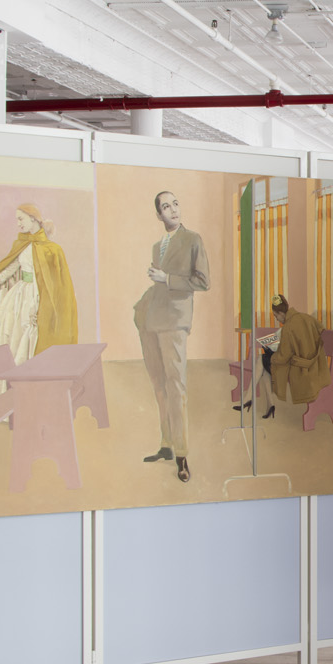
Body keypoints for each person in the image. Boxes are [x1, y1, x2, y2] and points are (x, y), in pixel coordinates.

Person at [133, 190, 210, 483]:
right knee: (159, 384)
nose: (173, 209)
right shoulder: (158, 246)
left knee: (176, 386)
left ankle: (182, 454)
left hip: (175, 321)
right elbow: (159, 285)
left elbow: (202, 281)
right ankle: (166, 444)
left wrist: (166, 279)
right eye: (166, 207)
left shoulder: (193, 240)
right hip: (152, 320)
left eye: (175, 203)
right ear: (159, 215)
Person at [0, 203, 77, 365]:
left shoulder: (52, 249)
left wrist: (37, 307)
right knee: (12, 335)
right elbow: (6, 273)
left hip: (38, 299)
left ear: (33, 219)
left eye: (21, 219)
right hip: (19, 298)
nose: (18, 224)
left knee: (30, 337)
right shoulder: (23, 245)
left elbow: (53, 284)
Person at [237, 295, 330, 419]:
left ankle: (250, 399)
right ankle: (268, 404)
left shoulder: (288, 327)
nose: (277, 319)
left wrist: (272, 354)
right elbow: (320, 329)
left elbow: (283, 357)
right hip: (315, 363)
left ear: (281, 313)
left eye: (276, 316)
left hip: (301, 368)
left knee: (262, 360)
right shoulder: (306, 318)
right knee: (263, 362)